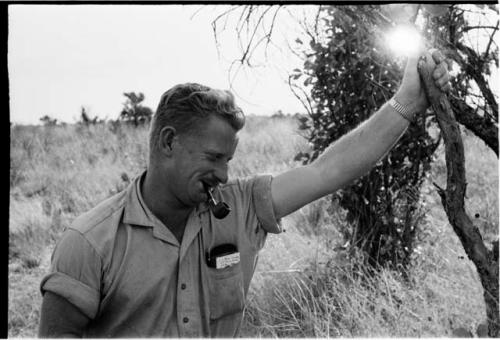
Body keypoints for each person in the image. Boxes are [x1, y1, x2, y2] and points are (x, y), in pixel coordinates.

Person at [38, 50, 451, 337]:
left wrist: (408, 101)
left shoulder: (241, 208)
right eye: (214, 157)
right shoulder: (90, 242)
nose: (223, 173)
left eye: (229, 160)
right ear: (167, 142)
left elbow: (329, 171)